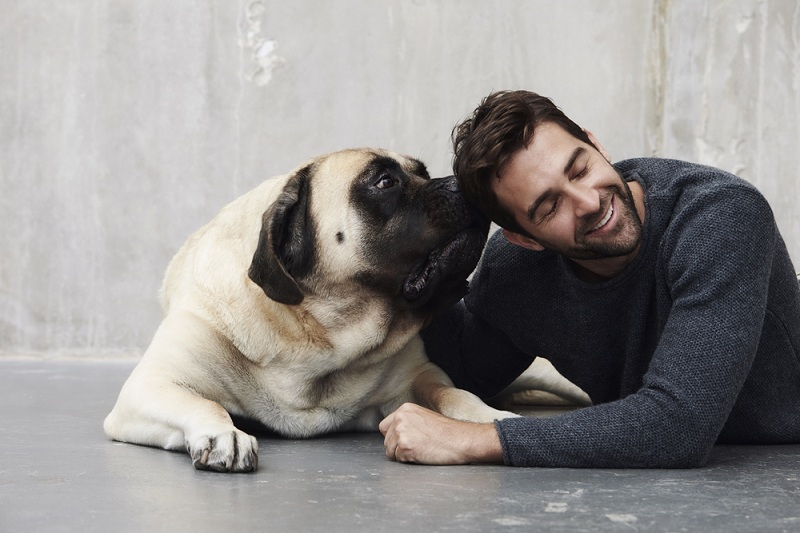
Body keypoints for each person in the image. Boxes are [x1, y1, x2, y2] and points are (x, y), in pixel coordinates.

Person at [378, 90, 800, 468]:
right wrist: (392, 273)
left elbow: (677, 426)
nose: (588, 202)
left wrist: (475, 440)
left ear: (593, 142)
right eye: (548, 207)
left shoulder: (721, 218)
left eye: (579, 169)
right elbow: (461, 367)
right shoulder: (517, 274)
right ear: (524, 238)